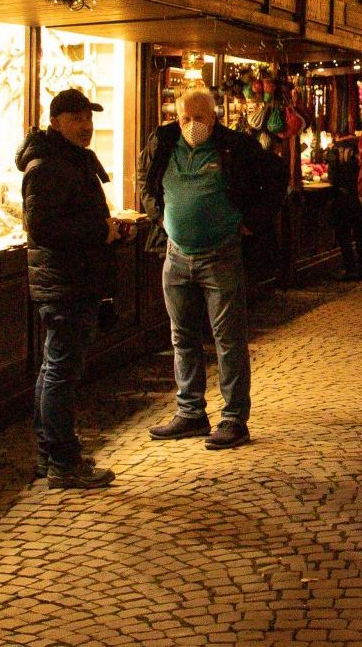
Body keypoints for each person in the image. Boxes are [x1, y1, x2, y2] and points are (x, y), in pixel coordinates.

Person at [141, 86, 285, 451]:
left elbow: (276, 177)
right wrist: (160, 218)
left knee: (228, 339)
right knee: (182, 336)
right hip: (176, 256)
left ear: (214, 117)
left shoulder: (234, 147)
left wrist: (252, 221)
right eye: (185, 118)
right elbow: (146, 182)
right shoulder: (163, 144)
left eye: (199, 118)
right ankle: (190, 412)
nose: (192, 125)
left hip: (220, 255)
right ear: (176, 118)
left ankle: (234, 418)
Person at [17, 87, 131, 489]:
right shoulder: (47, 166)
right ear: (55, 122)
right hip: (65, 283)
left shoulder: (69, 159)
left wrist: (108, 230)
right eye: (76, 119)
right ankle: (63, 461)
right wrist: (100, 232)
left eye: (89, 119)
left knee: (55, 369)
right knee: (61, 372)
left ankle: (50, 455)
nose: (86, 126)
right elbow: (43, 228)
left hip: (73, 279)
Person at [327, 122, 362, 281]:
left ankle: (350, 268)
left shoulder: (335, 150)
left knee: (343, 235)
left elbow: (332, 178)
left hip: (343, 198)